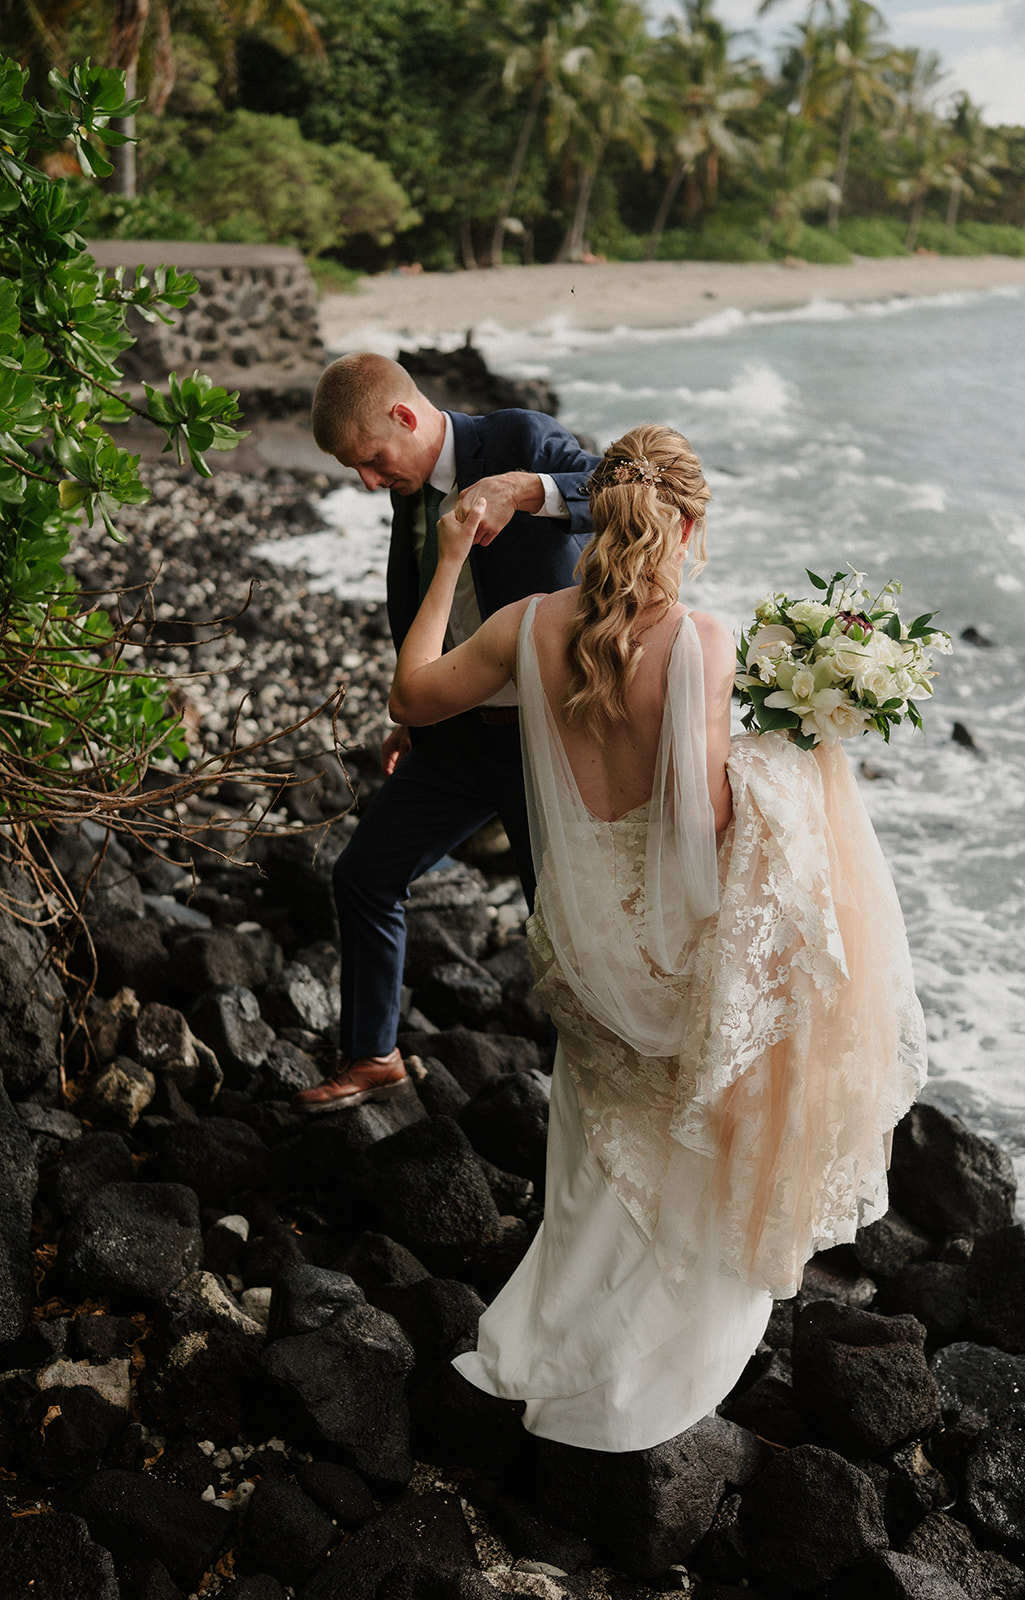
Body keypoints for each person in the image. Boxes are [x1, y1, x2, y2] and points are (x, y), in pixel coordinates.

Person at [389, 422, 927, 1452]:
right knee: (696, 1143)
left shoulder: (523, 625)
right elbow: (705, 828)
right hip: (674, 952)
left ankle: (546, 1341)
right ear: (686, 528)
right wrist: (789, 756)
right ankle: (630, 1383)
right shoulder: (701, 642)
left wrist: (451, 550)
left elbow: (407, 693)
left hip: (579, 946)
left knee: (593, 1149)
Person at [292, 353, 601, 1113]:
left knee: (562, 938)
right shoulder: (409, 485)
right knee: (363, 874)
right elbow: (440, 604)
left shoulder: (517, 438)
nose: (367, 481)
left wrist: (528, 489)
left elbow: (632, 492)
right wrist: (424, 718)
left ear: (405, 417)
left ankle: (593, 1115)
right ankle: (372, 1057)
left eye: (370, 460)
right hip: (457, 738)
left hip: (547, 744)